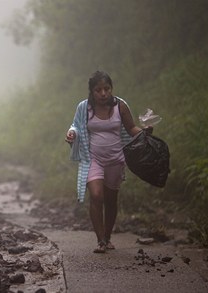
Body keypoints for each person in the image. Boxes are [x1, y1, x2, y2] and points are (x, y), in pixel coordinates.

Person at [65, 71, 150, 253]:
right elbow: (76, 125)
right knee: (96, 195)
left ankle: (108, 236)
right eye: (98, 90)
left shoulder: (120, 106)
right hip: (92, 158)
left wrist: (144, 132)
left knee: (111, 200)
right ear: (91, 91)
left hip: (116, 159)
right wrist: (72, 133)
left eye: (107, 89)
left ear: (111, 89)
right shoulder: (84, 108)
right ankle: (100, 241)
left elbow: (131, 128)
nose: (103, 93)